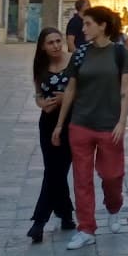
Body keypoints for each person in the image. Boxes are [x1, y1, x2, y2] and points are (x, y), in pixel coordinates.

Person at [52, 5, 128, 249]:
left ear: (103, 26)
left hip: (109, 125)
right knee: (81, 179)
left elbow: (125, 90)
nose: (83, 28)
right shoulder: (80, 54)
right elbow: (70, 89)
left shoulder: (120, 54)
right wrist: (59, 125)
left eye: (88, 24)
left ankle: (113, 207)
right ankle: (86, 228)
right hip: (80, 124)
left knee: (112, 175)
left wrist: (121, 122)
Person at [28, 28, 76, 242]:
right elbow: (38, 93)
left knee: (56, 171)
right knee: (53, 170)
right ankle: (66, 215)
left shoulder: (74, 61)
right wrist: (41, 103)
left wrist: (65, 98)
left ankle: (39, 221)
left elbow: (83, 89)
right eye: (51, 43)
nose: (56, 45)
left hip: (69, 122)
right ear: (43, 47)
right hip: (47, 122)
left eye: (58, 41)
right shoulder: (40, 65)